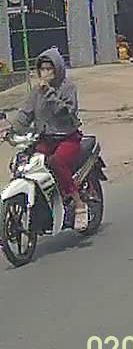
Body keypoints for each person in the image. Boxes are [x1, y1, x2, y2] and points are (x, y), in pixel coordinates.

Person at [10, 48, 85, 230]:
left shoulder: (68, 88)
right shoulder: (36, 92)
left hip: (67, 137)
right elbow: (25, 114)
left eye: (49, 69)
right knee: (23, 163)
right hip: (44, 139)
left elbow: (65, 112)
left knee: (56, 162)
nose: (45, 73)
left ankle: (79, 204)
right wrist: (12, 129)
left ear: (57, 69)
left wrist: (49, 93)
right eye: (42, 69)